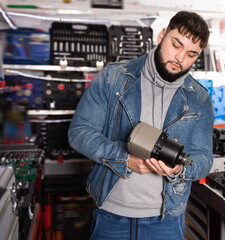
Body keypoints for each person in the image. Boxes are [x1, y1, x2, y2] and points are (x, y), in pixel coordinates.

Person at [68, 11, 214, 240]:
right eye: (176, 45)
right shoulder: (112, 78)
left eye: (191, 54)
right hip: (111, 215)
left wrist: (179, 169)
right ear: (162, 35)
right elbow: (79, 133)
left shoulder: (199, 99)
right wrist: (125, 158)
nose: (180, 58)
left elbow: (204, 159)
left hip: (166, 220)